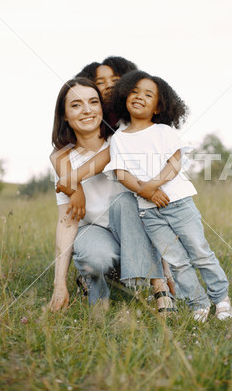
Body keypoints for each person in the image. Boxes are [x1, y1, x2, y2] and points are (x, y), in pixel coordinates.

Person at [96, 69, 232, 322]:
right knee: (176, 259)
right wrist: (144, 191)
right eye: (134, 92)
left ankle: (221, 298)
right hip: (148, 211)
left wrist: (154, 186)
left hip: (178, 203)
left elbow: (175, 161)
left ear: (158, 107)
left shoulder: (164, 132)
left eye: (148, 94)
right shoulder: (119, 139)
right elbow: (121, 173)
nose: (140, 97)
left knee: (199, 251)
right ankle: (197, 302)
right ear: (125, 96)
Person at [49, 77, 175, 313]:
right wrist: (59, 284)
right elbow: (67, 222)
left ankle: (159, 289)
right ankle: (96, 290)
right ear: (64, 115)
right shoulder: (62, 159)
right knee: (97, 256)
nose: (87, 110)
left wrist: (165, 272)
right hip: (93, 231)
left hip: (134, 227)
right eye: (76, 105)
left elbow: (149, 207)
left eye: (93, 102)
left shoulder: (123, 141)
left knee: (127, 201)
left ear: (101, 108)